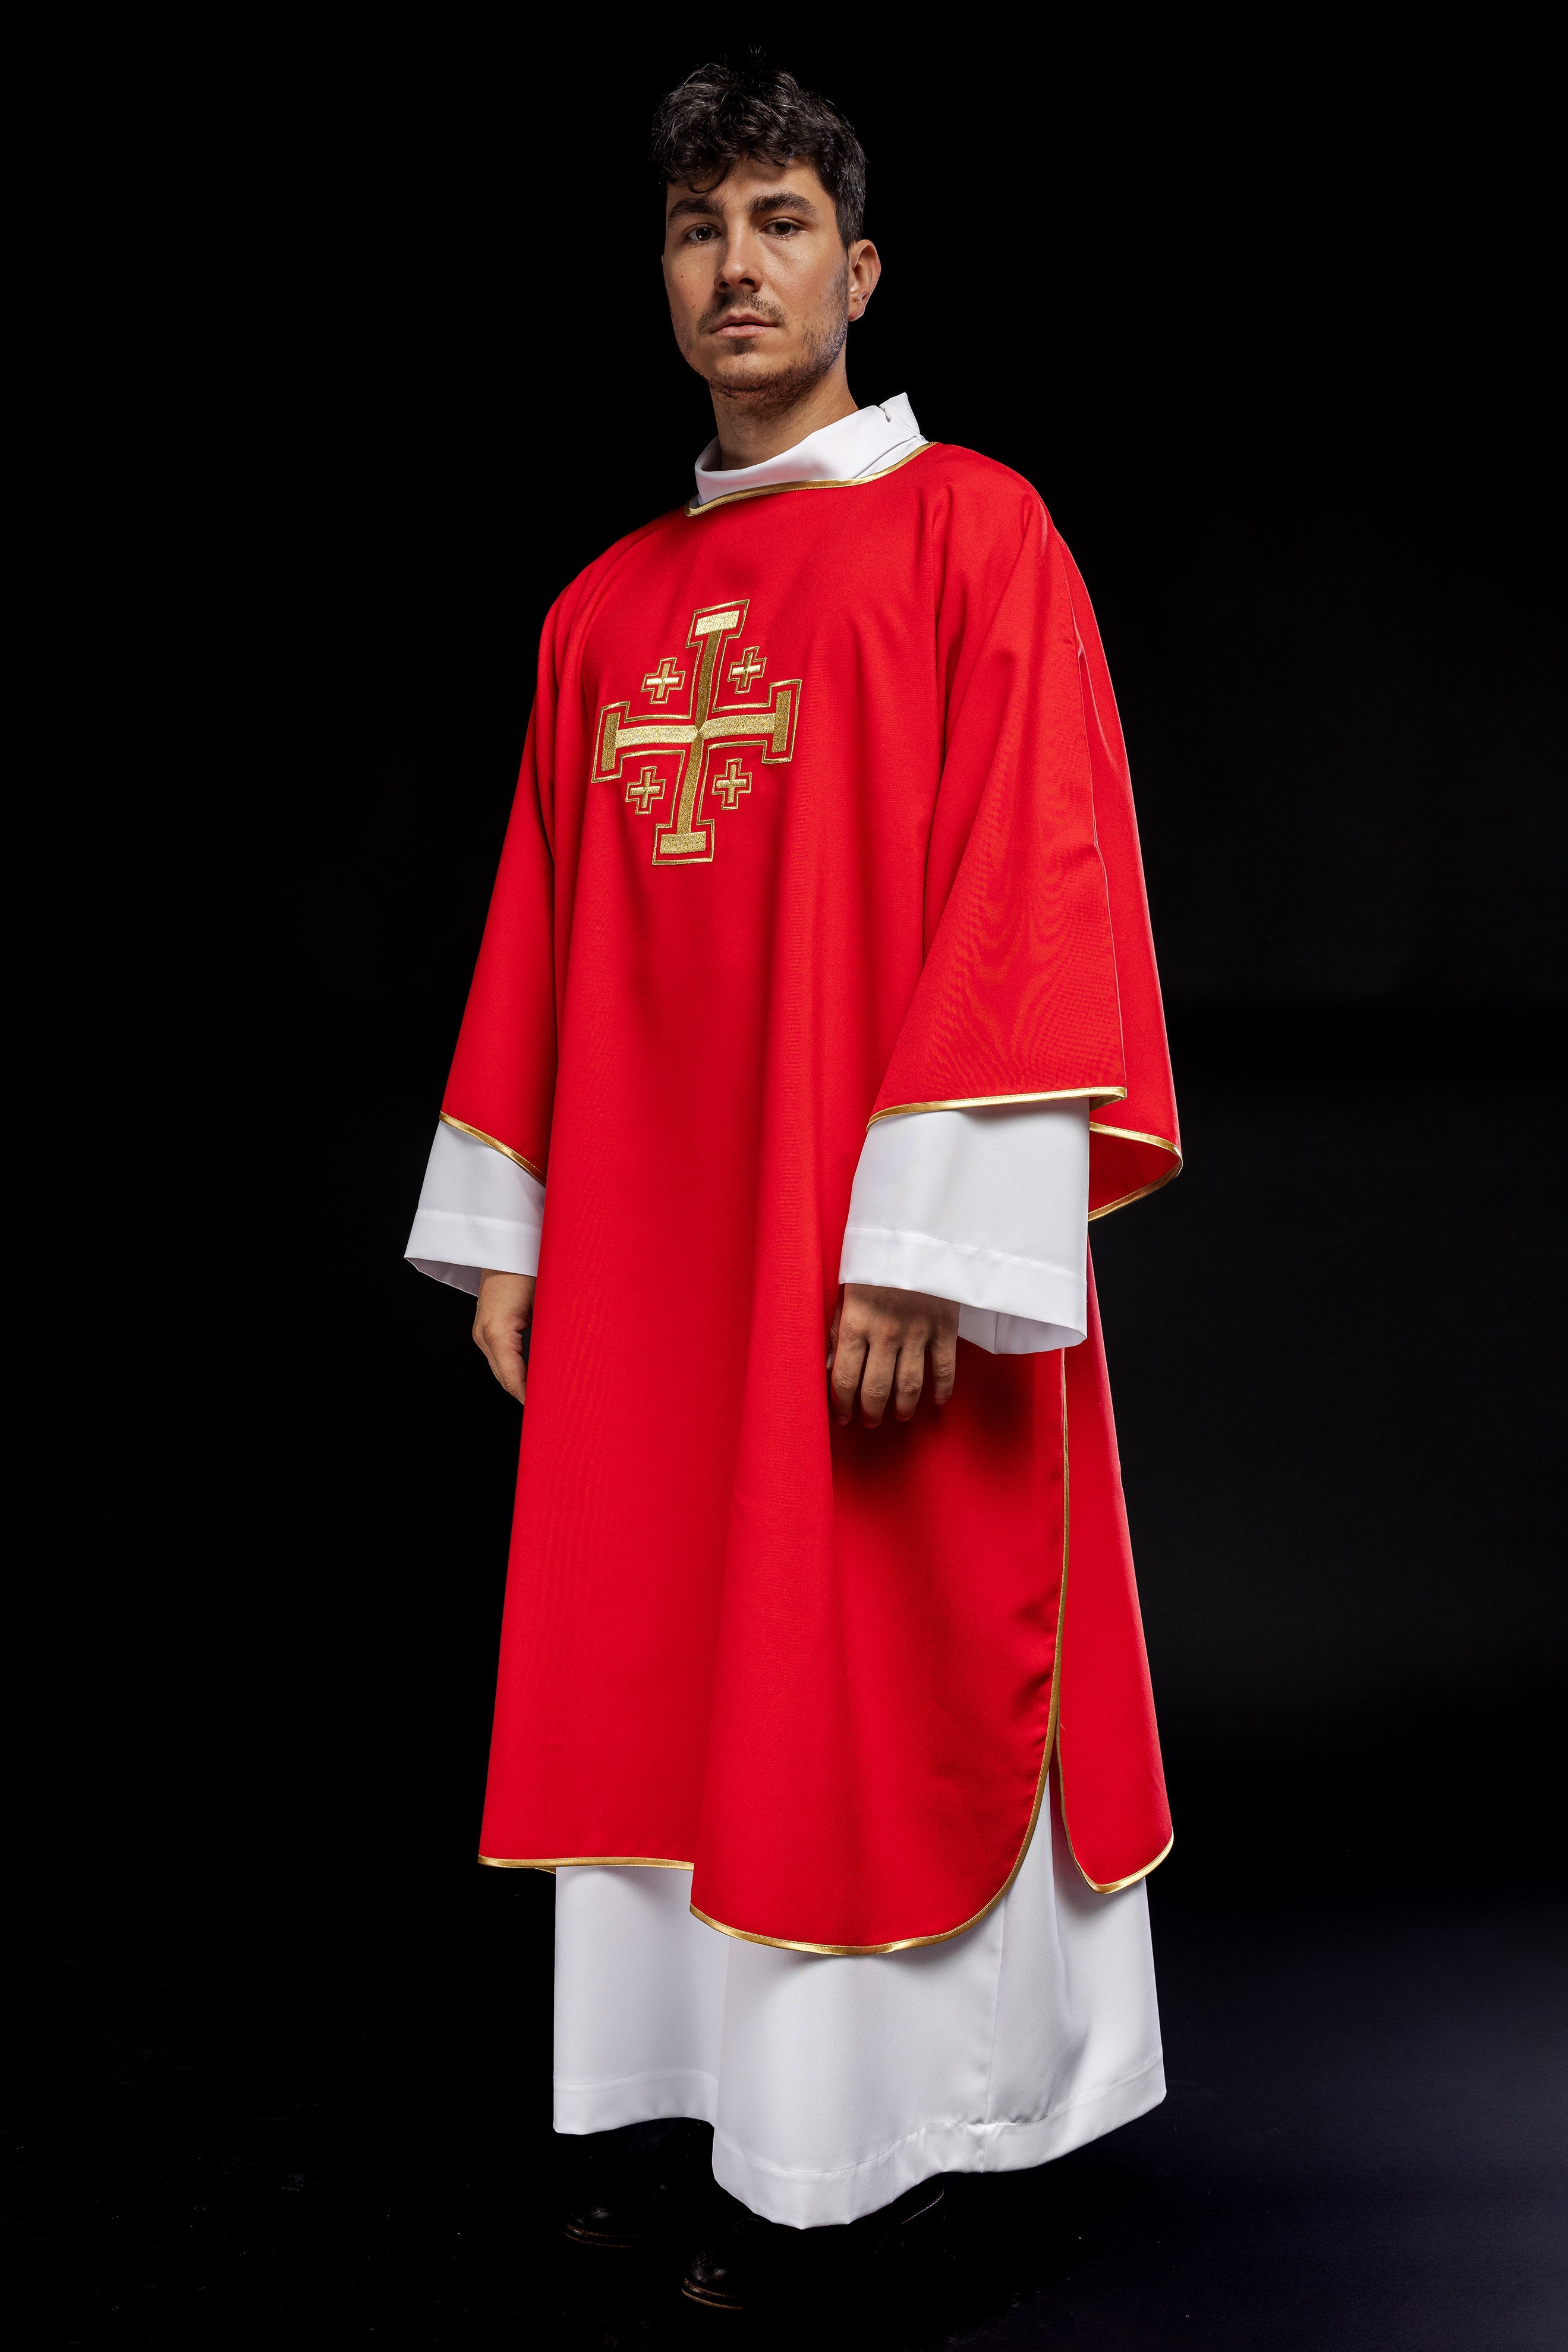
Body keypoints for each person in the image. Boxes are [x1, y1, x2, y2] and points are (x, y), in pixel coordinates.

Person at [406, 57, 1180, 2313]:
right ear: (664, 286)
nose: (732, 267)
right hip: (660, 1254)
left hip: (863, 1252)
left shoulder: (976, 533)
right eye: (691, 231)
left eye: (773, 220)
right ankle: (692, 2115)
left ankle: (877, 2144)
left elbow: (1029, 891)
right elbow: (540, 923)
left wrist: (931, 1240)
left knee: (861, 1655)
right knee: (663, 1662)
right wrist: (517, 1229)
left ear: (858, 265)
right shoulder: (600, 609)